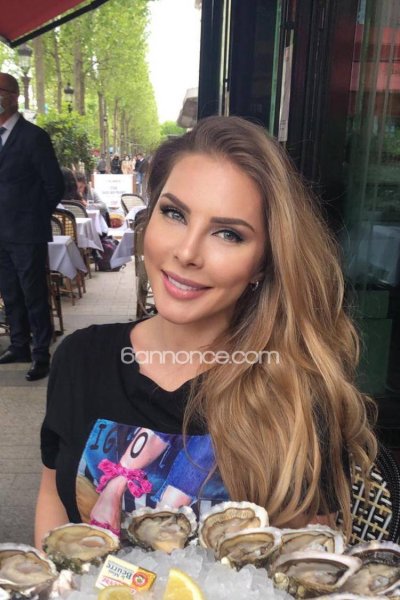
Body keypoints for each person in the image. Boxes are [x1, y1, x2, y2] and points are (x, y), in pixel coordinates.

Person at [35, 116, 377, 545]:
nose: (187, 252)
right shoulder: (80, 358)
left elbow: (306, 559)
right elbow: (52, 493)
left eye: (228, 234)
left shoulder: (296, 389)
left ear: (264, 263)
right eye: (174, 213)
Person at [0, 73, 64, 381]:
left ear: (13, 96)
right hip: (1, 234)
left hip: (27, 233)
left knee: (33, 294)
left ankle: (41, 354)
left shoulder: (33, 137)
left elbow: (55, 185)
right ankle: (19, 345)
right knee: (10, 293)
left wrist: (34, 217)